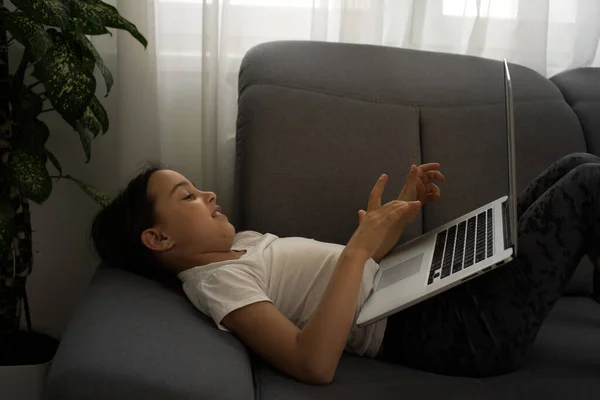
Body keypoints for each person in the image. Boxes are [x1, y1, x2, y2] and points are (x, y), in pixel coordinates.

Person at [91, 153, 600, 385]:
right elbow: (312, 364)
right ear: (158, 238)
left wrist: (397, 213)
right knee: (587, 187)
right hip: (457, 334)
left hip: (419, 294)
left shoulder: (241, 246)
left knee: (573, 164)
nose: (209, 194)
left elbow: (355, 277)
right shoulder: (216, 282)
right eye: (189, 196)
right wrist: (356, 250)